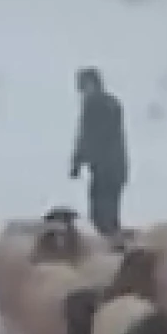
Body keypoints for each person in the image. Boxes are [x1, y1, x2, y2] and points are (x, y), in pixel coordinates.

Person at [69, 67, 128, 235]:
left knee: (101, 218)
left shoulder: (94, 105)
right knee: (109, 215)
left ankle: (107, 250)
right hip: (115, 167)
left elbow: (89, 137)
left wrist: (77, 162)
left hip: (105, 169)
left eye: (81, 86)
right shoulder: (111, 103)